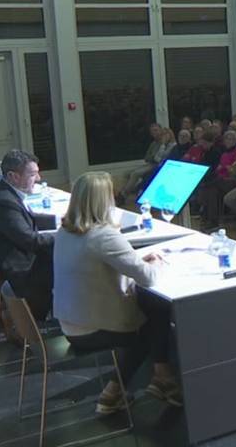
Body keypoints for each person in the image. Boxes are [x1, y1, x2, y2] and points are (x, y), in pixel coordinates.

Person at [52, 171, 180, 414]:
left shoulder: (66, 231)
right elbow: (149, 277)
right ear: (104, 200)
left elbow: (97, 264)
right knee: (157, 318)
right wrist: (158, 262)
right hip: (92, 327)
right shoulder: (103, 235)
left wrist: (139, 260)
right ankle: (117, 391)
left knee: (154, 310)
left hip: (70, 321)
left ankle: (161, 378)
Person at [0, 150, 56, 328]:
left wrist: (64, 223)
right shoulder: (3, 201)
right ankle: (68, 319)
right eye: (32, 174)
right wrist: (64, 235)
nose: (38, 178)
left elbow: (22, 219)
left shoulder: (3, 193)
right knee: (72, 269)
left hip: (10, 260)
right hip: (19, 270)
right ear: (13, 176)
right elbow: (30, 241)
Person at [119, 123, 169, 203]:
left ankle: (122, 195)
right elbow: (146, 158)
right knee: (126, 173)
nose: (154, 133)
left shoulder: (164, 143)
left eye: (156, 130)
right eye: (152, 131)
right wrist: (152, 157)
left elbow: (157, 159)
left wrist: (152, 157)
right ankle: (123, 194)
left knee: (135, 173)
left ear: (160, 131)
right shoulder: (153, 143)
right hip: (149, 164)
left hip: (156, 166)